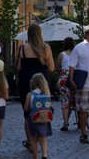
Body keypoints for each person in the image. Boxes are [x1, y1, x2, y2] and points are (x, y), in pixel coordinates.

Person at [16, 23, 55, 153]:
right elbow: (51, 68)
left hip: (26, 82)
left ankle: (30, 142)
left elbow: (18, 68)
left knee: (27, 114)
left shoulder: (22, 48)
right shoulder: (46, 48)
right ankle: (41, 141)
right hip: (42, 83)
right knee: (42, 109)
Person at [24, 73, 53, 159]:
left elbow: (26, 108)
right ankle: (44, 155)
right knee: (43, 138)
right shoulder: (47, 93)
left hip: (33, 119)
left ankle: (36, 157)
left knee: (33, 139)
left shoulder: (30, 94)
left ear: (32, 83)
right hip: (44, 119)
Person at [56, 37, 75, 132]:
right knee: (76, 100)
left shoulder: (61, 55)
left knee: (65, 101)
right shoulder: (76, 54)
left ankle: (66, 123)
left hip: (64, 79)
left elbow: (57, 67)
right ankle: (82, 120)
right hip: (74, 77)